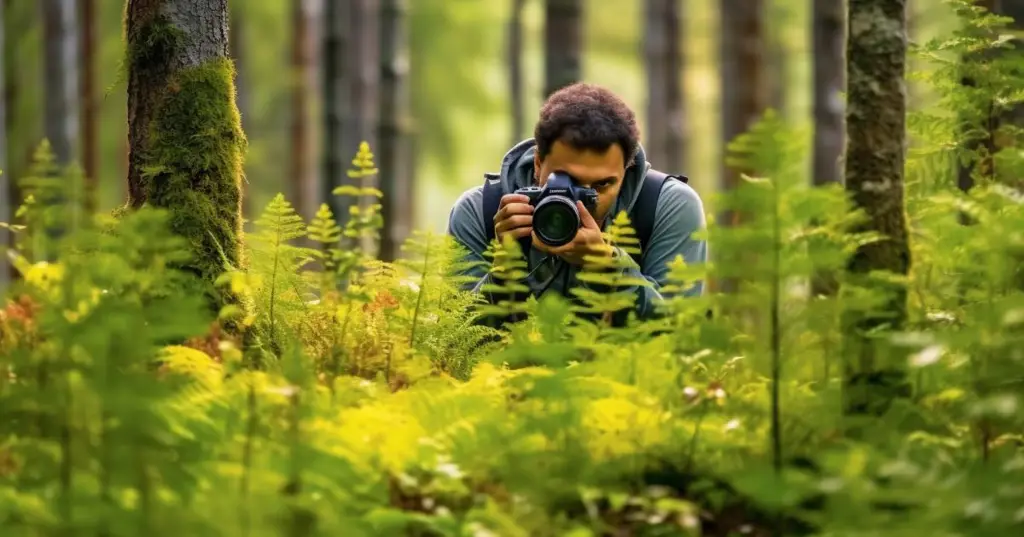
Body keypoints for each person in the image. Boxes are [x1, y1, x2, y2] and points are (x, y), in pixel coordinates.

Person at [445, 82, 707, 325]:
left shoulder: (667, 206)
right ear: (538, 163)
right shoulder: (481, 211)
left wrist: (610, 266)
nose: (586, 198)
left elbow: (679, 333)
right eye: (567, 180)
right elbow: (451, 341)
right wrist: (504, 270)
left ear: (628, 170)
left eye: (603, 184)